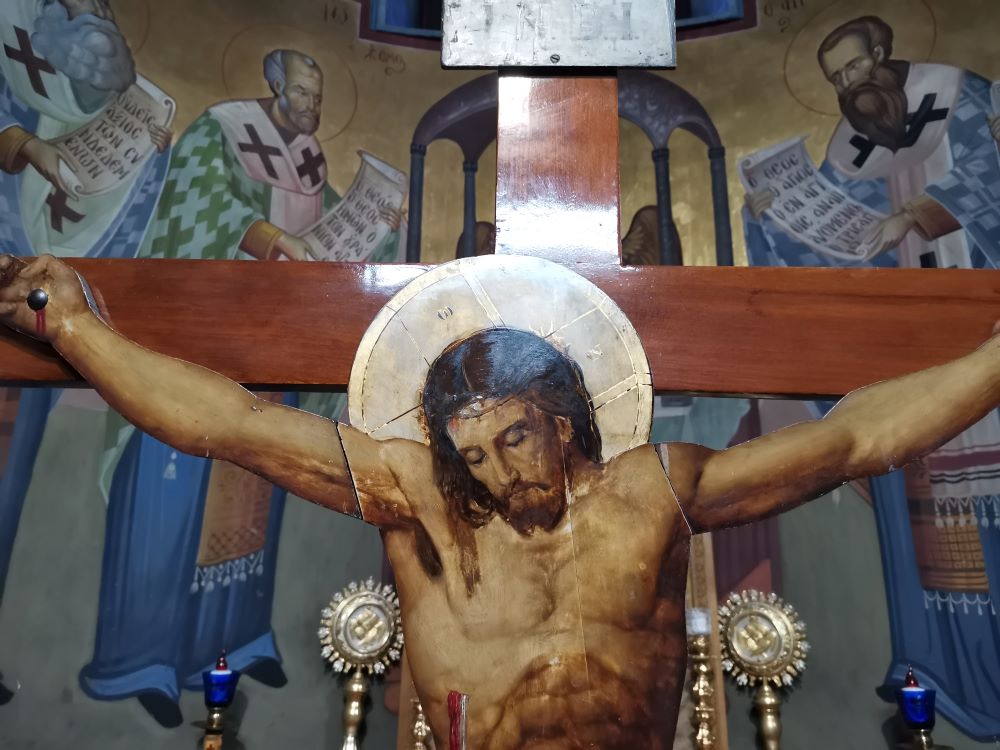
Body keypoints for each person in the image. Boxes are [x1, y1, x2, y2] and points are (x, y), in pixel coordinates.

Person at [6, 253, 1000, 746]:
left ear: (562, 421)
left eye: (514, 438)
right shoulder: (419, 496)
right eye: (470, 452)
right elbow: (227, 424)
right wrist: (76, 332)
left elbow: (856, 439)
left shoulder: (654, 488)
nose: (494, 471)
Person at [78, 48, 404, 713]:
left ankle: (231, 644)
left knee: (252, 500)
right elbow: (195, 204)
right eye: (303, 94)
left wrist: (378, 229)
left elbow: (325, 232)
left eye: (319, 99)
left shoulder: (307, 155)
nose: (312, 108)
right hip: (191, 353)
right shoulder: (221, 129)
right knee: (173, 507)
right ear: (274, 85)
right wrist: (266, 238)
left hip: (264, 353)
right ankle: (142, 661)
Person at [743, 15, 1000, 735]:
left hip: (983, 334)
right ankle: (934, 671)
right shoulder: (850, 146)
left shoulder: (959, 94)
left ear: (884, 55)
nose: (850, 88)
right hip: (906, 357)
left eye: (856, 70)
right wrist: (769, 220)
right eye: (837, 81)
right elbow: (835, 247)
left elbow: (991, 179)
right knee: (921, 507)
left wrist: (916, 213)